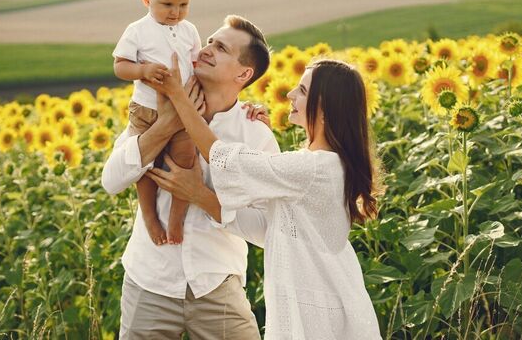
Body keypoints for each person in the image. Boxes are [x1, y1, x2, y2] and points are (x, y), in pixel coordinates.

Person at [146, 58, 384, 339]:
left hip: (318, 312)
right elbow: (268, 229)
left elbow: (220, 157)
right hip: (324, 301)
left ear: (325, 111)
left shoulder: (314, 169)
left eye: (303, 91)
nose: (289, 95)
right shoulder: (323, 165)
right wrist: (198, 194)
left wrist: (177, 96)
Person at [102, 15, 278, 339]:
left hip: (216, 285)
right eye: (210, 40)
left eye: (222, 48)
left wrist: (202, 196)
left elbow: (269, 229)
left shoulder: (254, 135)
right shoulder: (155, 106)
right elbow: (110, 180)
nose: (208, 48)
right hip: (149, 281)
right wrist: (166, 125)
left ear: (244, 73)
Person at [112, 0, 200, 245]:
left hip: (181, 109)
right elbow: (120, 66)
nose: (176, 13)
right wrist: (142, 70)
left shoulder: (190, 31)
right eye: (167, 5)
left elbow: (196, 64)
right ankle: (149, 215)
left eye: (183, 5)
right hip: (146, 110)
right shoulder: (137, 30)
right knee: (143, 163)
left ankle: (177, 215)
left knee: (185, 160)